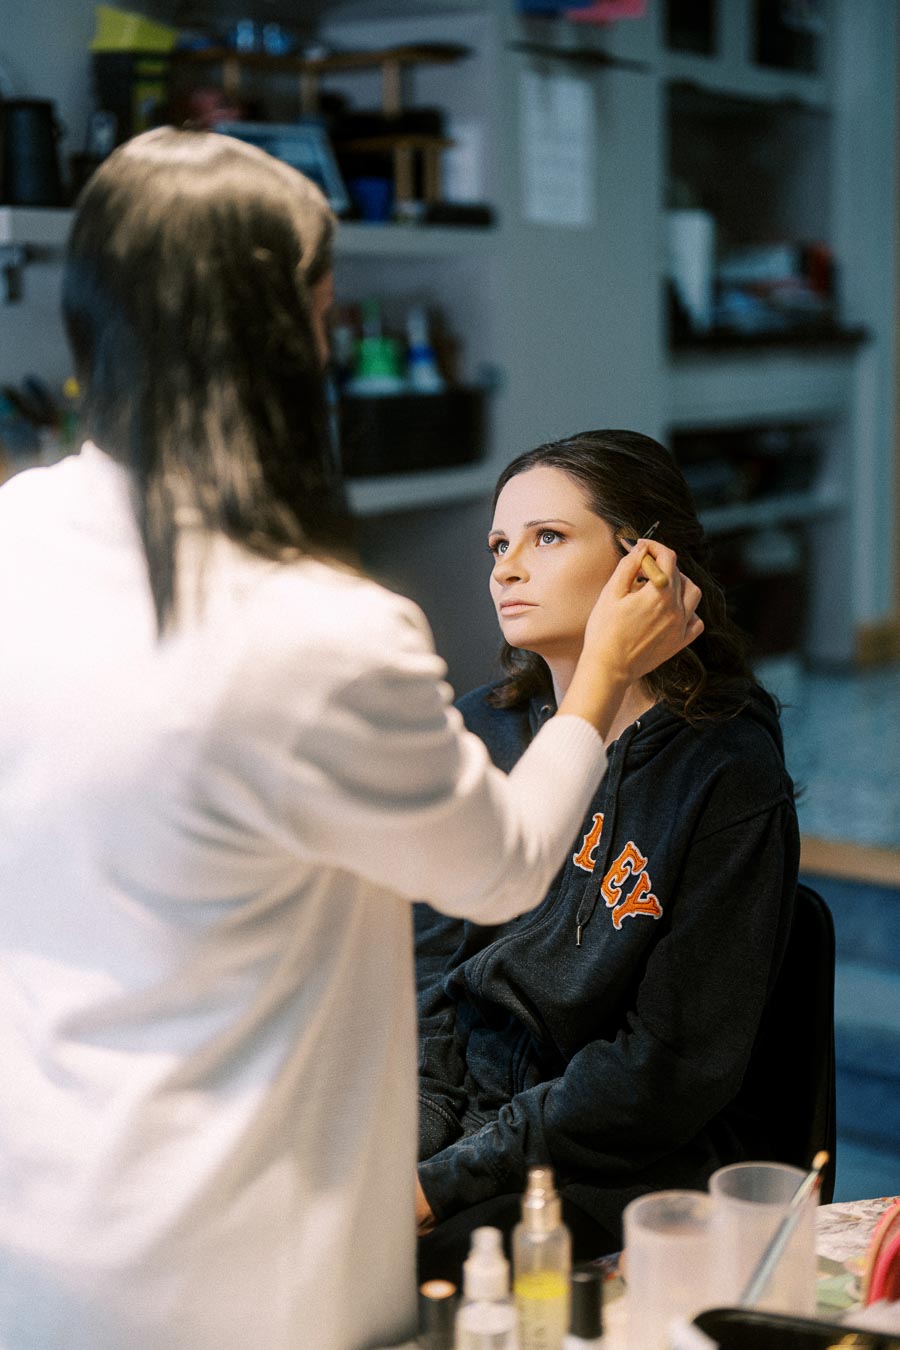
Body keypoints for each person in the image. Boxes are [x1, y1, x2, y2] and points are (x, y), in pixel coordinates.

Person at [0, 131, 702, 1350]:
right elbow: (500, 868)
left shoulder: (17, 541)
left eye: (551, 538)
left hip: (42, 1239)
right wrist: (599, 680)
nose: (509, 566)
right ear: (286, 339)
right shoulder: (320, 633)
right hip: (244, 1269)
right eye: (325, 316)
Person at [414, 429, 800, 1280]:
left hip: (618, 1160)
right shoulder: (480, 729)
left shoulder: (726, 774)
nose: (506, 568)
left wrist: (438, 1185)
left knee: (415, 1269)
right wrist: (415, 1145)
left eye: (547, 537)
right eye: (499, 545)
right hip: (467, 1123)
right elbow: (430, 982)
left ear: (647, 567)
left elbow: (659, 1074)